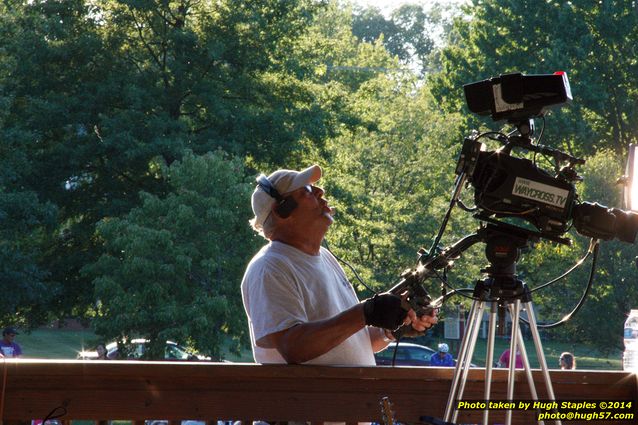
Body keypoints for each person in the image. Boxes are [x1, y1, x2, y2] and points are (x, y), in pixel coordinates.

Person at [241, 165, 438, 365]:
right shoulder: (270, 267)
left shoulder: (326, 258)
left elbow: (349, 342)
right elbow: (293, 347)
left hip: (346, 395)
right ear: (282, 211)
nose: (320, 192)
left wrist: (392, 329)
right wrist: (365, 312)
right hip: (312, 397)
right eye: (306, 191)